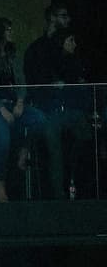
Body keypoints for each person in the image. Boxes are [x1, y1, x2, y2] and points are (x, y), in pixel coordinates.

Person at [0, 17, 49, 202]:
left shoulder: (12, 54)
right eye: (8, 29)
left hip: (12, 101)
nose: (11, 32)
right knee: (3, 135)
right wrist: (1, 108)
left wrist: (20, 101)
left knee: (40, 119)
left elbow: (21, 80)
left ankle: (24, 149)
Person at [26, 27, 93, 198]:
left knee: (85, 143)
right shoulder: (47, 62)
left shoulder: (76, 63)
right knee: (55, 153)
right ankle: (58, 195)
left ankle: (84, 188)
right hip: (52, 114)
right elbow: (41, 89)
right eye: (71, 40)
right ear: (61, 42)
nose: (74, 44)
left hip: (72, 114)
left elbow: (82, 91)